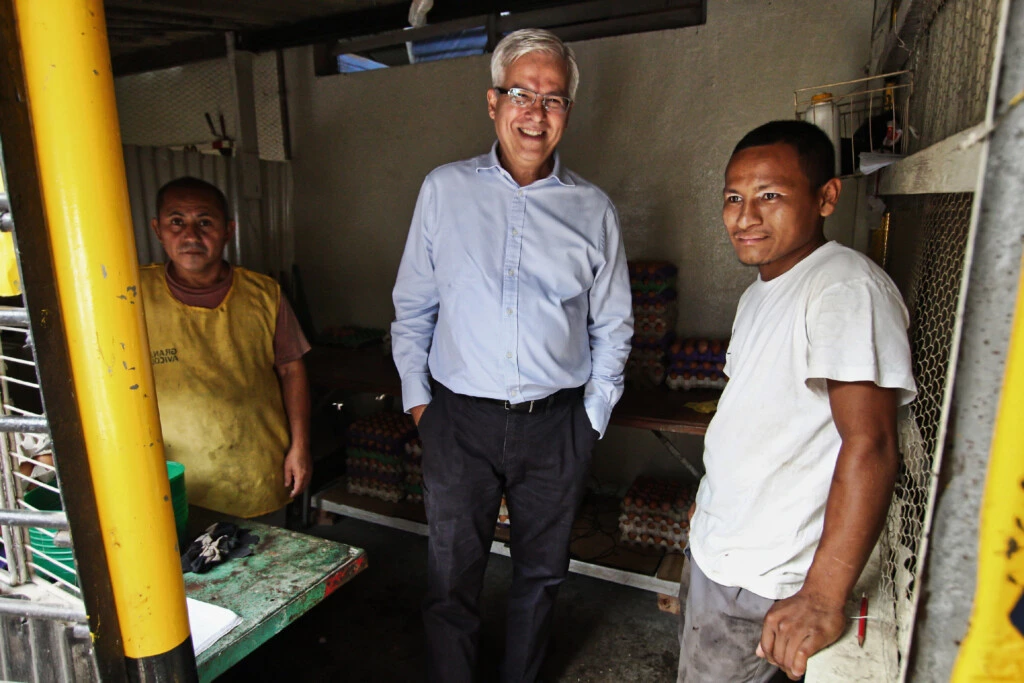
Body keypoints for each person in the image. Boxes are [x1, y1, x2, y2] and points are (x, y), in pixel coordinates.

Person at [391, 28, 633, 683]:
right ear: (493, 102)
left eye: (553, 99)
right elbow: (413, 306)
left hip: (556, 426)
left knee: (542, 575)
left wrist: (591, 421)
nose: (536, 111)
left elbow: (614, 324)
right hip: (457, 420)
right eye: (521, 93)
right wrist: (421, 404)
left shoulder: (593, 210)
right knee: (451, 576)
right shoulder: (444, 190)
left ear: (567, 114)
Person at [678, 120, 917, 682]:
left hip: (767, 580)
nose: (746, 216)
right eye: (734, 198)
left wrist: (822, 596)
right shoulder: (763, 290)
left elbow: (872, 445)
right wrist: (710, 503)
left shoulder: (843, 289)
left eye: (770, 196)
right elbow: (757, 415)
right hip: (723, 549)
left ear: (826, 197)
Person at [140, 176, 312, 520]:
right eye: (177, 222)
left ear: (228, 230)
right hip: (169, 477)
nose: (191, 235)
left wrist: (301, 447)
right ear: (158, 229)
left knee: (266, 567)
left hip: (256, 470)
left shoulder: (265, 294)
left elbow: (292, 371)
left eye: (205, 222)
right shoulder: (132, 293)